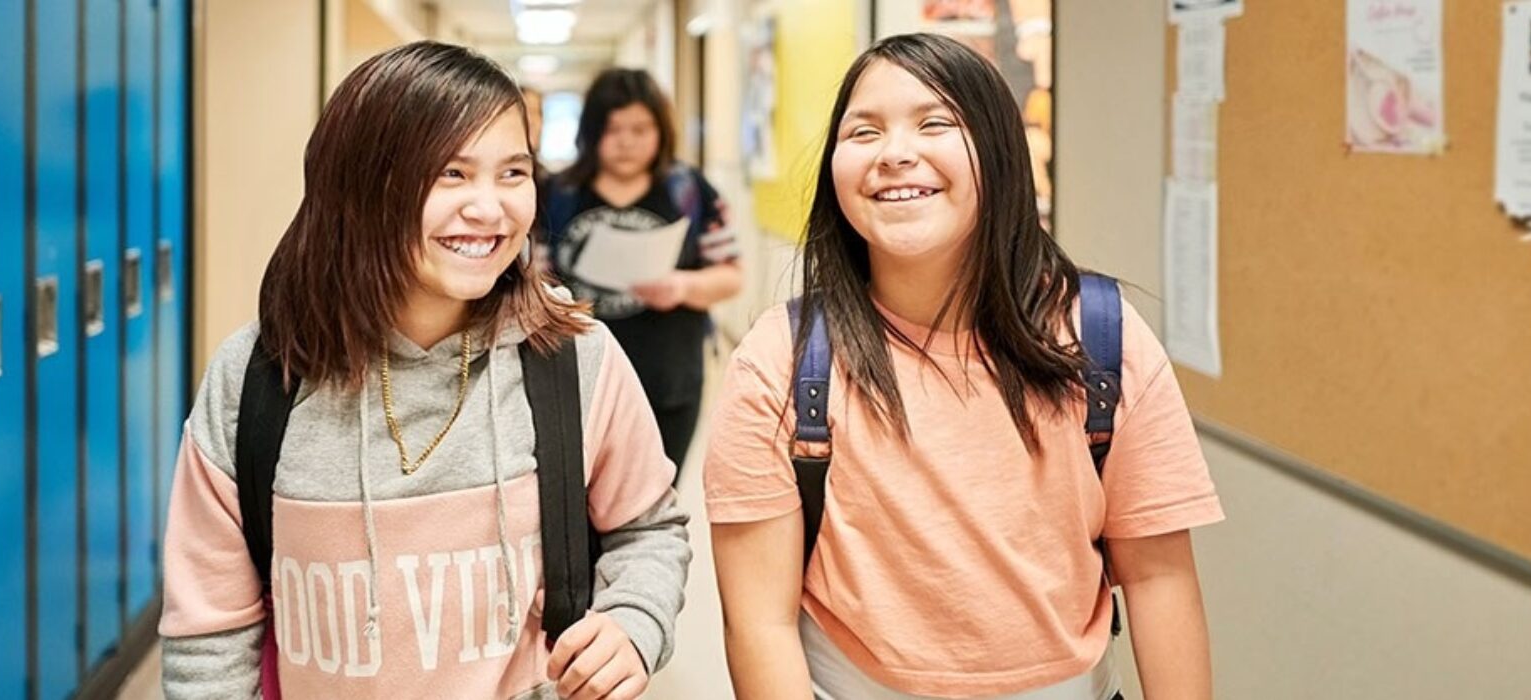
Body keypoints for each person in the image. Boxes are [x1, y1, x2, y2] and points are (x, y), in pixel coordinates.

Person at [158, 41, 691, 700]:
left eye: (514, 173)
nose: (490, 209)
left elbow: (648, 530)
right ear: (360, 184)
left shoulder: (572, 355)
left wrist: (632, 621)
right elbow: (207, 634)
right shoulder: (260, 377)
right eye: (451, 173)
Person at [704, 33, 1224, 700]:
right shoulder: (782, 361)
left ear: (999, 153)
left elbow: (1158, 579)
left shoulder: (1103, 339)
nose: (895, 154)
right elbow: (759, 625)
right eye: (863, 132)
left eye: (934, 123)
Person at [544, 68, 742, 476]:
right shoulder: (557, 195)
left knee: (658, 500)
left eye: (640, 128)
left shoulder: (688, 190)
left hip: (668, 383)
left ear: (661, 131)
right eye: (613, 129)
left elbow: (732, 274)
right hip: (574, 385)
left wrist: (683, 286)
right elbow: (531, 281)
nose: (627, 142)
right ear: (591, 132)